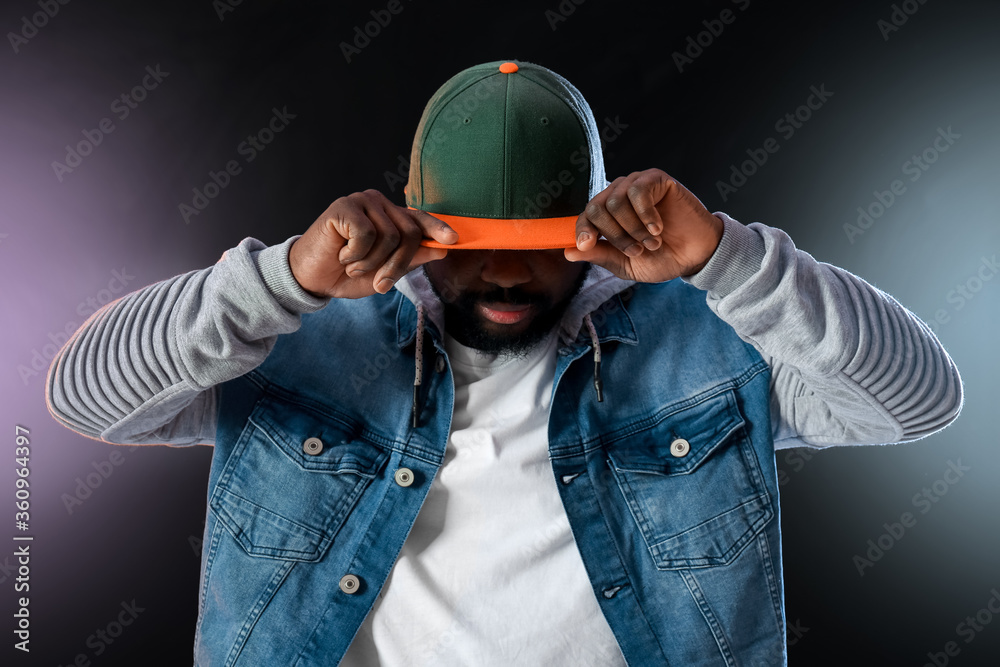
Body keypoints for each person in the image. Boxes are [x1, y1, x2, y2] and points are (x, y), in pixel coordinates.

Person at [46, 60, 963, 666]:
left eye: (539, 242)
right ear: (417, 220)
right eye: (474, 243)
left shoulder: (710, 342)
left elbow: (917, 400)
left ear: (593, 226)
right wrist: (280, 279)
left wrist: (729, 256)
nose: (506, 273)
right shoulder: (300, 339)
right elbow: (85, 396)